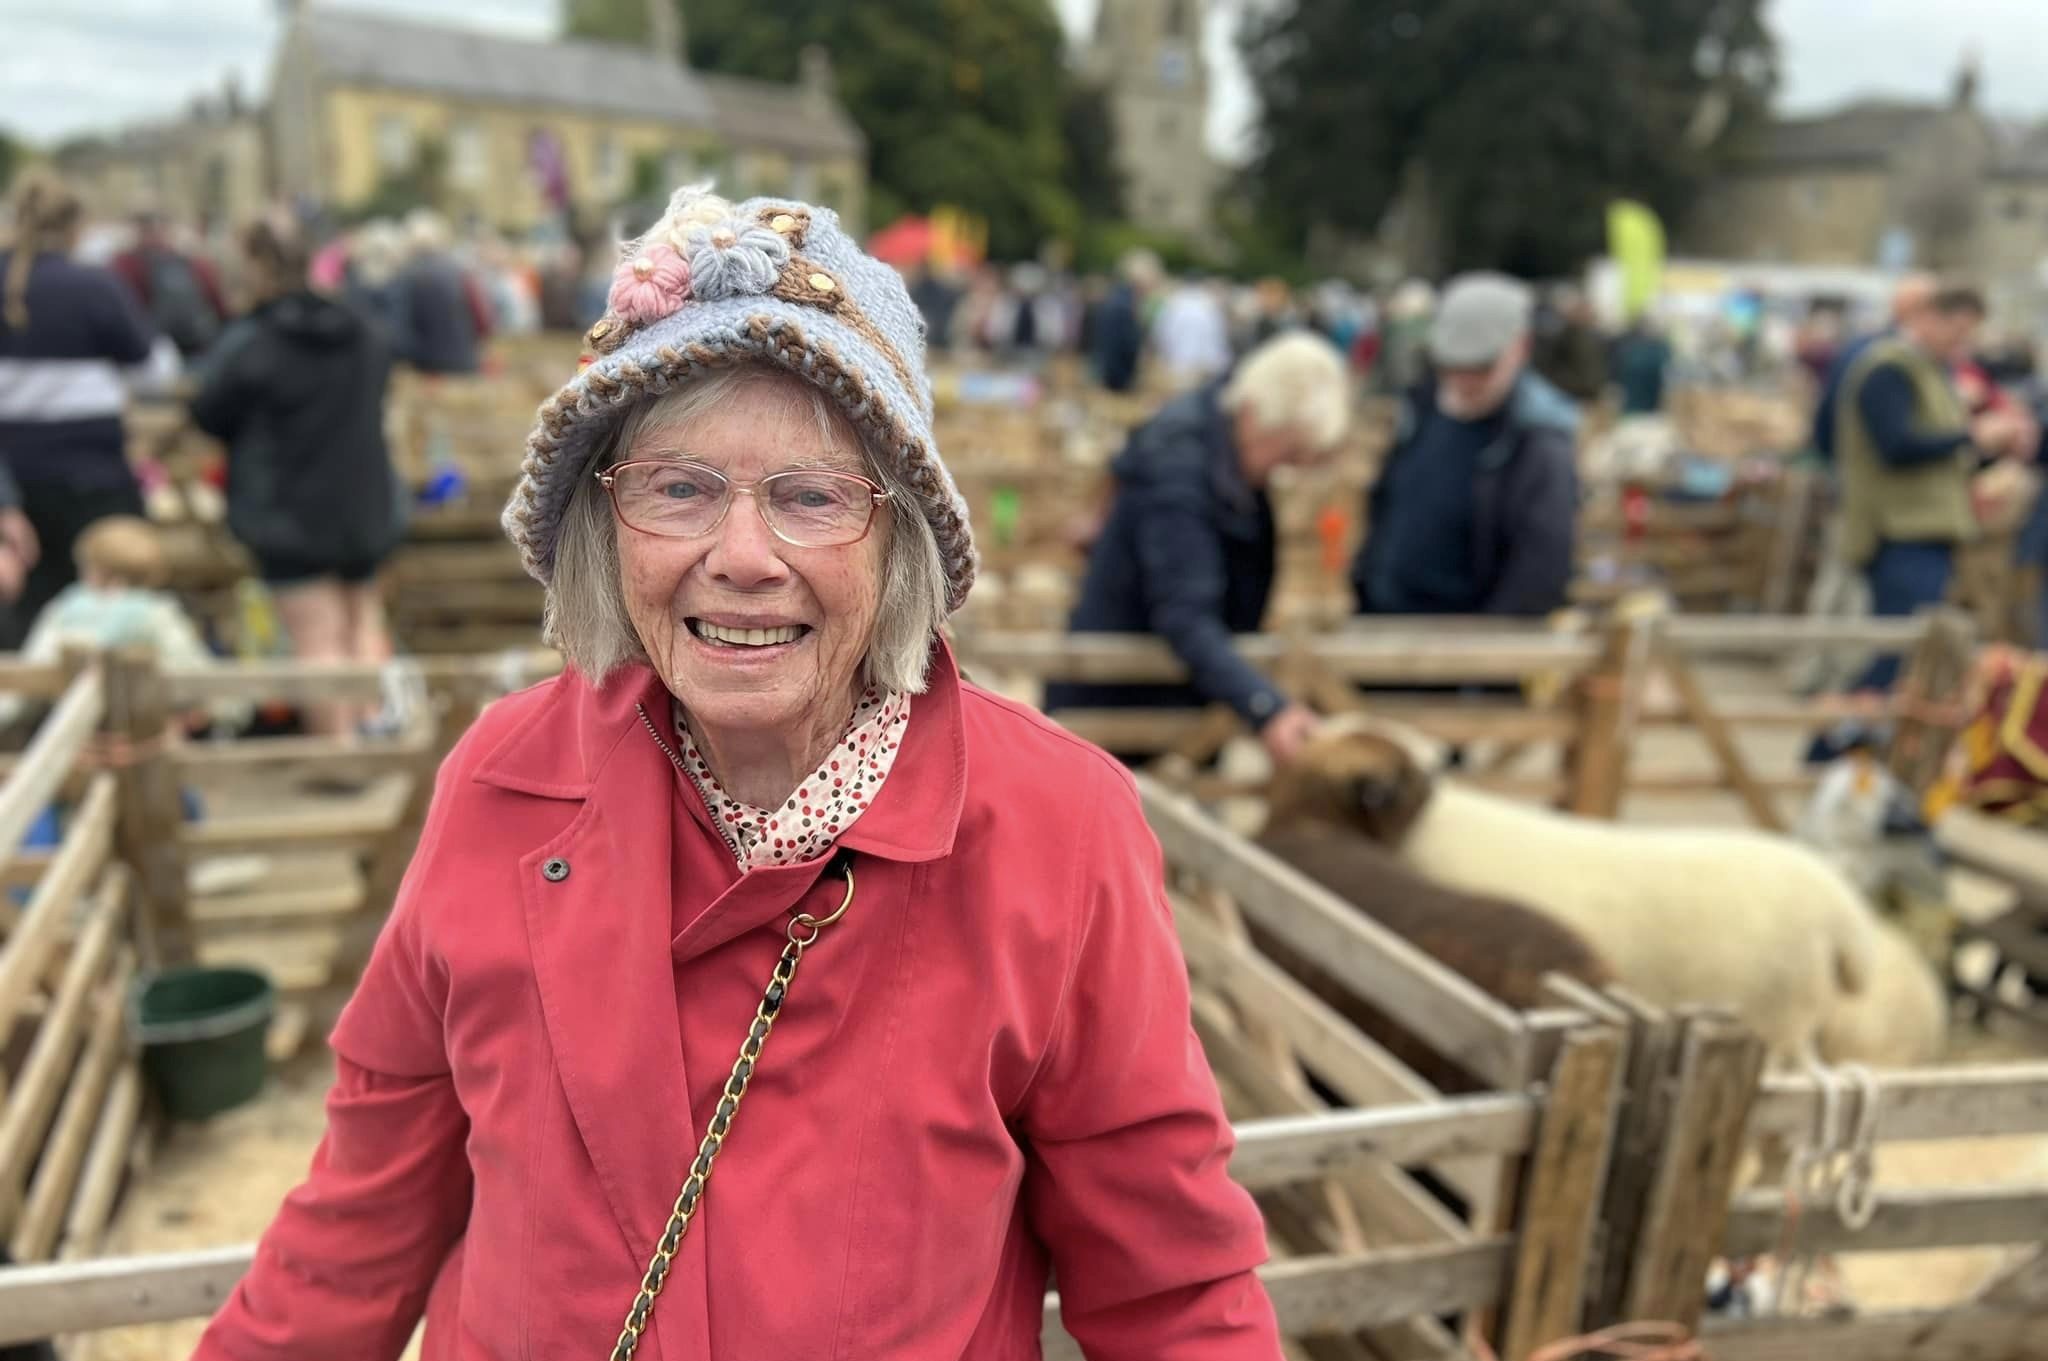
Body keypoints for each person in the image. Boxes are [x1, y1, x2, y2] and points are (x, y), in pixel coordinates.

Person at [193, 185, 1282, 1360]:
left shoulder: (1054, 829)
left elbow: (1174, 1292)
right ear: (609, 527)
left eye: (813, 497)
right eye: (679, 487)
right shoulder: (501, 779)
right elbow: (357, 1222)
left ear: (898, 535)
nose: (742, 557)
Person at [1044, 331, 1353, 765]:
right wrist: (1266, 706)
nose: (1287, 469)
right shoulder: (1181, 470)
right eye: (1287, 451)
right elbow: (1183, 611)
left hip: (1171, 689)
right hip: (1126, 697)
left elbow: (1123, 465)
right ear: (1258, 415)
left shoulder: (1207, 428)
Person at [188, 214, 404, 735]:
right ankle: (377, 742)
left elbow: (206, 412)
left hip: (287, 507)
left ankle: (339, 751)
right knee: (362, 622)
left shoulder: (251, 340)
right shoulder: (360, 329)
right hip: (362, 501)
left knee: (317, 637)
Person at [1351, 271, 1580, 619]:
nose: (1464, 381)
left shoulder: (1538, 442)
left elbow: (1540, 571)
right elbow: (1387, 510)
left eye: (1482, 367)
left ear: (1520, 348)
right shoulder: (1420, 409)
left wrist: (1484, 663)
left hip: (1470, 650)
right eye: (1452, 365)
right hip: (1388, 628)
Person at [1834, 281, 2028, 690]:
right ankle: (1834, 746)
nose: (1962, 342)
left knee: (1908, 658)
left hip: (1924, 530)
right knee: (1894, 656)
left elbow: (1941, 449)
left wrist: (1993, 445)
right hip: (1897, 531)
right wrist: (1973, 436)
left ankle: (1859, 745)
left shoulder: (1930, 369)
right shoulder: (1889, 368)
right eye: (1956, 330)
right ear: (1925, 318)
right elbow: (1896, 445)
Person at [0, 172, 156, 650]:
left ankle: (27, 721)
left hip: (18, 480)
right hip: (96, 476)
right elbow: (151, 368)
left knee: (25, 621)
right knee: (108, 610)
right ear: (76, 227)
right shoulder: (94, 285)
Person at [109, 207, 229, 362]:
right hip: (197, 347)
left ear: (136, 230)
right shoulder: (194, 262)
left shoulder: (124, 264)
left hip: (150, 351)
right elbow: (218, 303)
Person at [1091, 247, 1162, 393]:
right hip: (1117, 383)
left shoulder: (1123, 301)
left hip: (1114, 380)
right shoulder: (1123, 306)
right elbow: (1119, 352)